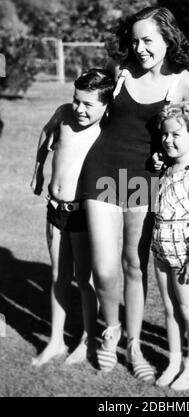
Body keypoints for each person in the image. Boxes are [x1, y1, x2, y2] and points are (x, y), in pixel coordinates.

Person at [81, 6, 189, 381]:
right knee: (104, 268)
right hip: (103, 172)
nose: (140, 48)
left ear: (168, 38)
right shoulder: (119, 73)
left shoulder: (182, 81)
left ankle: (132, 343)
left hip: (145, 179)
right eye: (135, 40)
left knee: (134, 265)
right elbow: (85, 105)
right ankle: (110, 330)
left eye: (149, 39)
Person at [30, 69, 115, 366]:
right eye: (77, 100)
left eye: (88, 104)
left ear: (106, 105)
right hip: (55, 210)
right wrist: (38, 169)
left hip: (83, 215)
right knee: (58, 276)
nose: (79, 108)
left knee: (85, 279)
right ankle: (55, 341)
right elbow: (45, 133)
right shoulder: (64, 113)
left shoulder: (107, 128)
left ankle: (88, 340)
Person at [151, 102, 189, 391]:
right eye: (165, 134)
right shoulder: (168, 168)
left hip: (187, 254)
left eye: (176, 134)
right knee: (169, 308)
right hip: (161, 250)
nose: (168, 140)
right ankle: (173, 361)